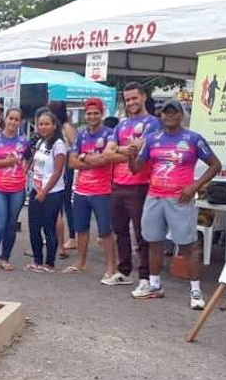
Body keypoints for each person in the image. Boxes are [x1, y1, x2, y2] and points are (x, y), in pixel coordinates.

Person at [128, 98, 222, 309]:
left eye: (174, 112)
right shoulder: (152, 139)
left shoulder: (193, 138)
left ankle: (196, 290)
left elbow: (215, 165)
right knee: (154, 241)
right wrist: (129, 156)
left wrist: (195, 186)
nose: (169, 116)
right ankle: (154, 285)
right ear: (161, 115)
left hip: (180, 198)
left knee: (188, 245)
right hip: (154, 196)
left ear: (181, 115)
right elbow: (136, 169)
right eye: (165, 113)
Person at [102, 82, 162, 287]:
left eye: (134, 98)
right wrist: (123, 149)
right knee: (120, 230)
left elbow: (141, 150)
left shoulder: (154, 123)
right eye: (127, 100)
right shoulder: (121, 124)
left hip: (141, 184)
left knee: (141, 232)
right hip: (118, 184)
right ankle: (124, 270)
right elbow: (107, 153)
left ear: (143, 97)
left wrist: (120, 149)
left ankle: (145, 276)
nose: (131, 103)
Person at [65, 97, 117, 278]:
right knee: (81, 228)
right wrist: (92, 159)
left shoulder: (111, 133)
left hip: (103, 191)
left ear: (102, 114)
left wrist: (83, 157)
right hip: (81, 190)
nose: (92, 116)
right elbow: (71, 162)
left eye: (96, 113)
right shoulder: (81, 135)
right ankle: (81, 262)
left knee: (105, 231)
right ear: (85, 115)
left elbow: (106, 159)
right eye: (89, 113)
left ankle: (111, 267)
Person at [0, 107, 31, 271]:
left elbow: (29, 158)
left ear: (20, 122)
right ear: (5, 118)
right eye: (11, 118)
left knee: (11, 224)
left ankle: (5, 257)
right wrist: (4, 163)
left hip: (17, 189)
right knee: (0, 223)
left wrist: (24, 170)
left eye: (17, 119)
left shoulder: (23, 141)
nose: (13, 122)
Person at [25, 109, 67, 272]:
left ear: (54, 125)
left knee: (48, 227)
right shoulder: (41, 142)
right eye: (40, 124)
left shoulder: (59, 145)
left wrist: (45, 191)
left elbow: (57, 171)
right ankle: (37, 260)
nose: (43, 127)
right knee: (34, 226)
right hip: (36, 188)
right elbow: (35, 163)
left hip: (52, 192)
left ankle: (49, 263)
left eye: (46, 124)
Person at [48, 100, 78, 256]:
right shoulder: (57, 127)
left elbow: (74, 145)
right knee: (57, 204)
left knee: (64, 203)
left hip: (65, 167)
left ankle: (72, 236)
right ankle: (56, 236)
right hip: (55, 166)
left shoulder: (66, 127)